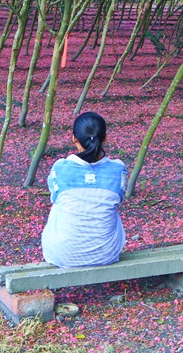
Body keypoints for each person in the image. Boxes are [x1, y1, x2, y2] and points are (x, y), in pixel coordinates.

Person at [40, 112, 127, 268]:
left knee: (59, 203)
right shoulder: (118, 169)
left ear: (74, 138)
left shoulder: (60, 168)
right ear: (105, 138)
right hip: (107, 254)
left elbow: (55, 198)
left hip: (62, 256)